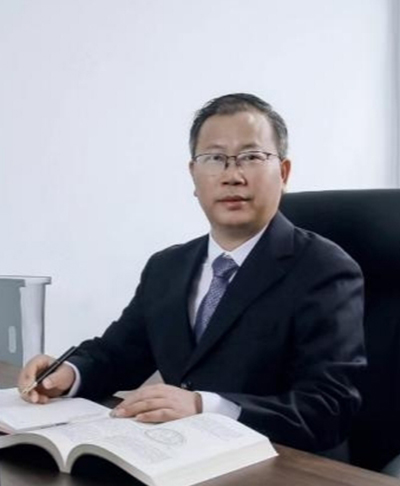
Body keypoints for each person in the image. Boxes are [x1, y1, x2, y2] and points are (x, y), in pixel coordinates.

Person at [18, 93, 366, 453]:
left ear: (284, 172)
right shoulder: (167, 267)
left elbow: (330, 408)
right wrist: (69, 374)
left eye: (251, 157)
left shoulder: (324, 269)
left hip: (280, 468)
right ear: (193, 175)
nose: (232, 176)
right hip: (178, 457)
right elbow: (118, 354)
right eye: (214, 158)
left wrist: (206, 407)